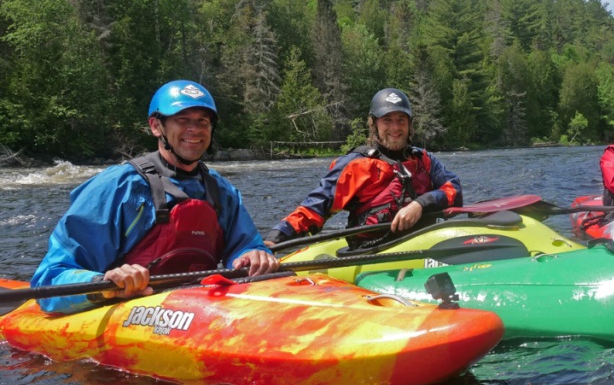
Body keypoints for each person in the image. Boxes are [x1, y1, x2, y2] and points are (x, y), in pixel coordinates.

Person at [31, 81, 279, 314]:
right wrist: (102, 282)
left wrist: (254, 255)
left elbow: (245, 245)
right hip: (127, 311)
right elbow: (49, 280)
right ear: (155, 126)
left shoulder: (221, 191)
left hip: (198, 310)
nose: (194, 129)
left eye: (203, 121)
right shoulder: (117, 188)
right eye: (182, 120)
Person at [265, 88, 462, 249]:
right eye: (387, 120)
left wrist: (420, 204)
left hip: (424, 246)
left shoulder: (424, 159)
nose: (395, 127)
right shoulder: (355, 165)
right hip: (374, 251)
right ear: (374, 125)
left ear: (410, 125)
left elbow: (454, 191)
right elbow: (315, 208)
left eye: (401, 120)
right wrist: (275, 239)